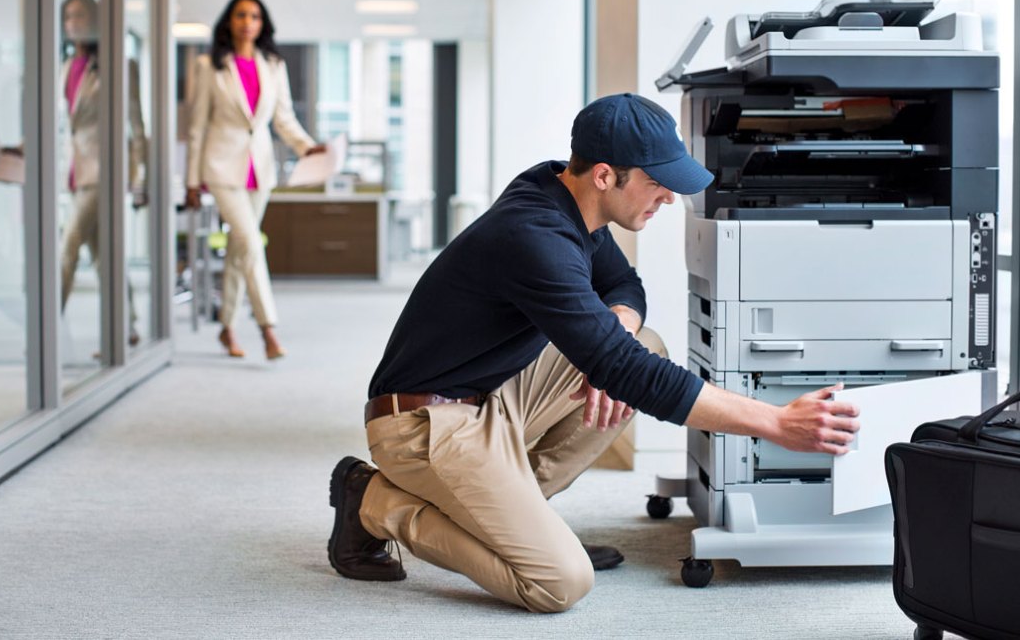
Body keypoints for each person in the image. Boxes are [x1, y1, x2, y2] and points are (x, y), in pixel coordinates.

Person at [326, 93, 861, 613]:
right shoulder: (535, 235)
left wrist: (617, 332)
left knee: (640, 344)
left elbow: (627, 289)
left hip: (489, 397)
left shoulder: (566, 194)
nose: (669, 198)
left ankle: (520, 521)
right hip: (423, 424)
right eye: (657, 184)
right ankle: (373, 503)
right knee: (559, 581)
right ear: (606, 175)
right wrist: (775, 422)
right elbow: (631, 374)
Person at [185, 0, 326, 360]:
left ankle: (227, 327)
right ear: (229, 22)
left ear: (262, 25)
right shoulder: (208, 66)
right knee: (250, 242)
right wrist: (191, 179)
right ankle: (269, 329)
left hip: (258, 170)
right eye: (241, 15)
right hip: (219, 167)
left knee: (238, 250)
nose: (248, 22)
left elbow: (283, 118)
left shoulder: (273, 65)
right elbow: (197, 126)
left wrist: (306, 147)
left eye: (255, 16)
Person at [56, 0, 147, 346]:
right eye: (67, 17)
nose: (73, 23)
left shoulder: (121, 67)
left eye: (79, 16)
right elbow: (66, 125)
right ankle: (127, 323)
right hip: (75, 173)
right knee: (104, 256)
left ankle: (47, 327)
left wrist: (139, 178)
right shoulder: (65, 68)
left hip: (105, 172)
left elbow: (136, 126)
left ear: (94, 21)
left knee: (66, 247)